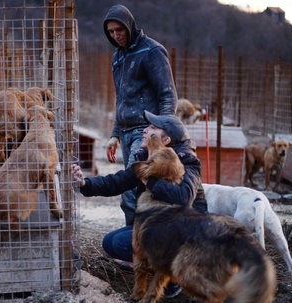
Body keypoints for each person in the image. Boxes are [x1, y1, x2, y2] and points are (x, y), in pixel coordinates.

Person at [72, 111, 207, 298]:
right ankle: (157, 267)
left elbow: (184, 197)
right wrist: (85, 183)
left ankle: (175, 276)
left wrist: (149, 182)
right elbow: (117, 181)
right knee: (112, 242)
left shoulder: (188, 161)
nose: (145, 130)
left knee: (126, 242)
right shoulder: (149, 158)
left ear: (166, 139)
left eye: (153, 128)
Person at [103, 4, 178, 228]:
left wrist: (161, 131)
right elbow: (122, 99)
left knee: (130, 190)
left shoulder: (152, 51)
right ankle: (134, 245)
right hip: (125, 132)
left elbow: (168, 95)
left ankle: (137, 248)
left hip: (145, 130)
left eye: (120, 30)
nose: (116, 35)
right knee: (134, 188)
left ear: (129, 26)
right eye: (111, 32)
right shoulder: (117, 57)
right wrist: (114, 134)